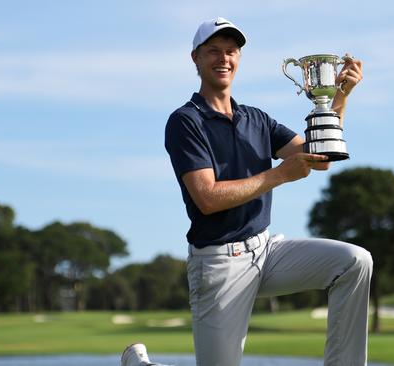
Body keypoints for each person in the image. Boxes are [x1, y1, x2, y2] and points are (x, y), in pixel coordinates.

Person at [121, 17, 372, 366]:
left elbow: (321, 158)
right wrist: (278, 175)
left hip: (266, 251)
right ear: (195, 58)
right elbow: (206, 198)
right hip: (218, 263)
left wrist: (340, 95)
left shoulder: (256, 118)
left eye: (231, 51)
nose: (223, 58)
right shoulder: (185, 121)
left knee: (354, 262)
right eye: (213, 51)